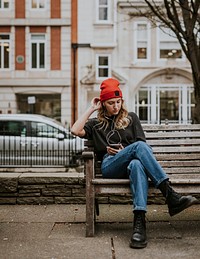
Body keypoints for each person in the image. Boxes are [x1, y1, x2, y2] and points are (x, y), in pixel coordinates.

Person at [71, 78, 197, 249]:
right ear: (103, 104)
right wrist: (92, 108)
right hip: (110, 166)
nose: (115, 106)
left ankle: (139, 224)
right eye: (110, 103)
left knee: (138, 163)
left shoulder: (131, 118)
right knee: (138, 148)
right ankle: (169, 194)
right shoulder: (96, 123)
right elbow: (75, 130)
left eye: (118, 102)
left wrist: (125, 150)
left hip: (132, 165)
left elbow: (143, 148)